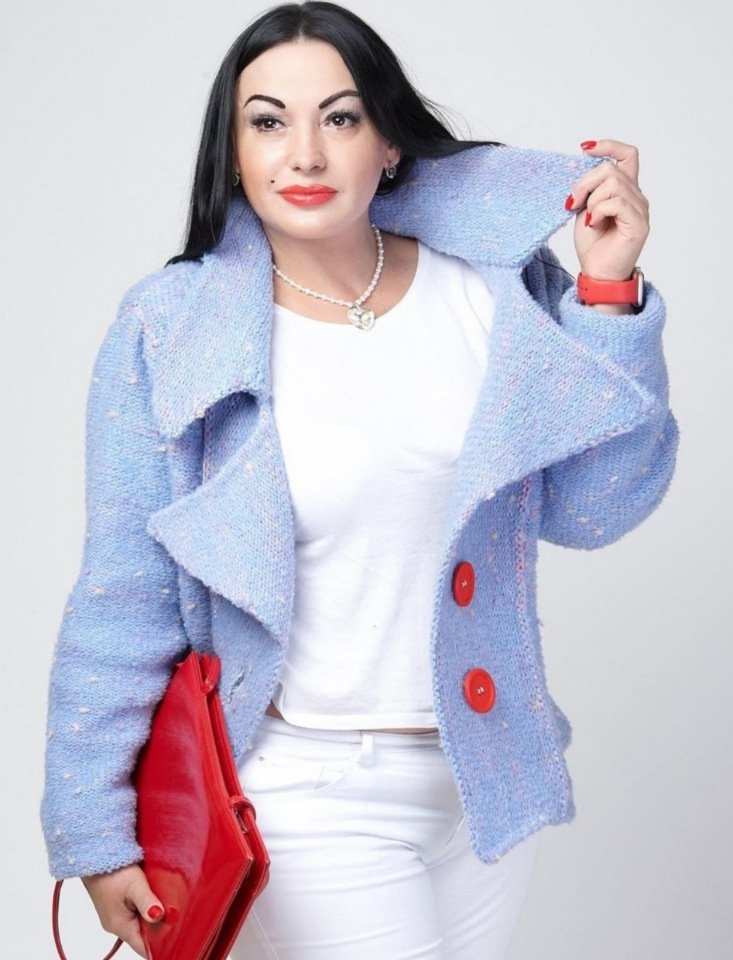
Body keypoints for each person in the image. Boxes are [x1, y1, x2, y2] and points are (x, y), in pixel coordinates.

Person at [40, 2, 679, 958]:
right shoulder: (171, 328)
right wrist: (93, 829)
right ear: (233, 153)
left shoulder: (491, 290)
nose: (303, 153)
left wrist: (607, 291)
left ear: (388, 142)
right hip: (304, 791)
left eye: (339, 118)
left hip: (484, 783)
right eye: (267, 122)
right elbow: (123, 590)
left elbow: (593, 509)